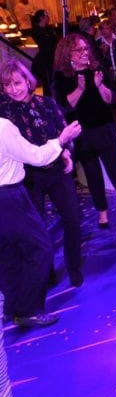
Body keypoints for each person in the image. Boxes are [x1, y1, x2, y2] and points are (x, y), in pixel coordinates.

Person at [0, 59, 83, 287]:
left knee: (73, 219)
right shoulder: (4, 111)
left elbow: (62, 131)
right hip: (28, 178)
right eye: (7, 85)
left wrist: (66, 151)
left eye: (17, 82)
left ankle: (74, 267)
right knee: (36, 230)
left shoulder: (47, 103)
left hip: (56, 170)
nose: (13, 89)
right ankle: (45, 274)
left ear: (28, 81)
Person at [0, 103, 81, 327]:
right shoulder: (3, 127)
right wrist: (62, 139)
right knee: (40, 247)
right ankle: (28, 310)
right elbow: (36, 157)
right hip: (9, 196)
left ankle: (12, 306)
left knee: (8, 253)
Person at [52, 34, 116, 229]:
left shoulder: (98, 69)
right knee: (93, 175)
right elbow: (66, 106)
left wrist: (99, 86)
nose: (85, 53)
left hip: (104, 128)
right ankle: (102, 212)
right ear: (68, 54)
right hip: (82, 133)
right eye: (79, 50)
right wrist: (81, 88)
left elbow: (111, 100)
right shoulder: (61, 76)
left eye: (86, 49)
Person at [30, 10, 58, 96]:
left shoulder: (49, 29)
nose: (48, 18)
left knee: (54, 80)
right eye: (46, 16)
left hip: (53, 57)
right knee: (48, 81)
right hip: (45, 60)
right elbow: (44, 44)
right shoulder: (36, 31)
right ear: (41, 18)